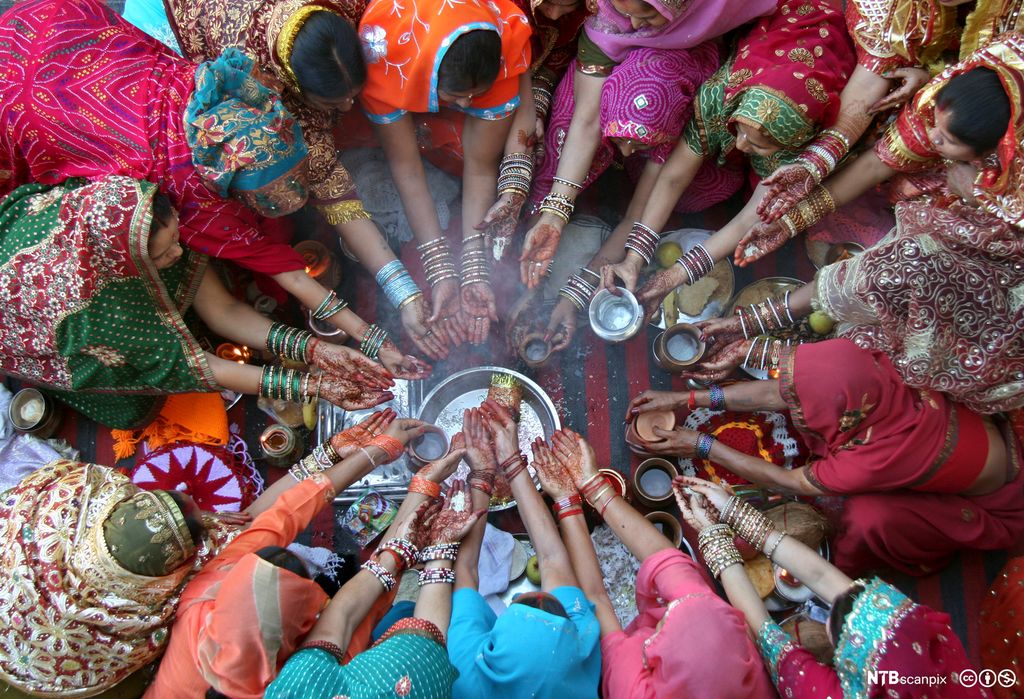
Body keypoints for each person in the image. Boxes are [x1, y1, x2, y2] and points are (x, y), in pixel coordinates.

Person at [0, 0, 427, 376]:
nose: (180, 253)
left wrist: (380, 323)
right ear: (233, 195)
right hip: (31, 103)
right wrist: (370, 339)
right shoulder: (193, 198)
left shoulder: (217, 94)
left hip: (60, 27)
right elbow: (288, 273)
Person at [131, 0, 452, 360]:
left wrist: (405, 294)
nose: (348, 108)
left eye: (351, 94)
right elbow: (326, 201)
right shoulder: (205, 185)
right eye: (334, 102)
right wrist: (379, 324)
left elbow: (332, 187)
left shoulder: (349, 16)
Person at [0, 410, 397, 696]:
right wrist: (403, 552)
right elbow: (347, 621)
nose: (209, 515)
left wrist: (338, 454)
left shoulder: (65, 527)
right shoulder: (181, 623)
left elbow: (261, 524)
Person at [0, 176, 399, 429]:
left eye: (176, 237)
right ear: (122, 264)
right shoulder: (106, 323)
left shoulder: (118, 209)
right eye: (162, 255)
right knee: (134, 408)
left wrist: (318, 348)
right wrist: (313, 385)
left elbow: (221, 310)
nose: (178, 254)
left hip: (85, 269)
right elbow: (202, 366)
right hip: (58, 326)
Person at [627, 338, 1024, 575]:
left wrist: (702, 446)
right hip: (964, 438)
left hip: (998, 503)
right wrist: (687, 398)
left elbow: (789, 481)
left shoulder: (870, 457)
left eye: (800, 406)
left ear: (851, 417)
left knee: (869, 518)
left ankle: (847, 573)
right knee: (808, 408)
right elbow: (780, 393)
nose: (792, 408)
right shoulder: (867, 373)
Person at [597, 0, 856, 319]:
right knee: (694, 185)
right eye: (740, 131)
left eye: (759, 146)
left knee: (768, 206)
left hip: (817, 76)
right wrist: (634, 258)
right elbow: (674, 176)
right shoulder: (721, 96)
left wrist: (677, 274)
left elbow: (752, 217)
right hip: (777, 48)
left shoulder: (799, 150)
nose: (741, 145)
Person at [144, 417, 430, 698]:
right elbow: (366, 600)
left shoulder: (200, 601)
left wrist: (377, 450)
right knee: (403, 619)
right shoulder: (310, 678)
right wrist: (421, 495)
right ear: (307, 619)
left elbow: (281, 517)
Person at [517, 0, 776, 288]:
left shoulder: (694, 100)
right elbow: (586, 120)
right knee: (568, 130)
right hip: (626, 93)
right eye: (625, 11)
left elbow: (637, 214)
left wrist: (581, 288)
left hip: (670, 91)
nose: (634, 25)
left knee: (692, 188)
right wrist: (554, 215)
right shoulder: (607, 19)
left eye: (648, 15)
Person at [673, 477, 986, 697]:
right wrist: (732, 512)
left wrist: (713, 536)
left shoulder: (827, 693)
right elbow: (824, 578)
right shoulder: (921, 636)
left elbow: (763, 630)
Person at [735, 34, 1021, 267]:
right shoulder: (933, 110)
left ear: (991, 150)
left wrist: (970, 197)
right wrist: (789, 223)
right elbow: (874, 165)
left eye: (949, 139)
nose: (932, 134)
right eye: (934, 120)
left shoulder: (1009, 193)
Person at [531, 429, 775, 698]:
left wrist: (567, 502)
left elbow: (595, 597)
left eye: (664, 623)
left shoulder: (633, 690)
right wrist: (592, 485)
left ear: (654, 657)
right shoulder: (720, 624)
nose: (667, 610)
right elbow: (662, 555)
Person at [527, 45, 735, 348]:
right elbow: (556, 184)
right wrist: (550, 222)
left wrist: (574, 296)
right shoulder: (598, 94)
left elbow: (634, 218)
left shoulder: (674, 111)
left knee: (698, 191)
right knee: (559, 150)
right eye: (621, 142)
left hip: (659, 123)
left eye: (634, 144)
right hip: (609, 113)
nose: (624, 152)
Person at [358, 0, 534, 346]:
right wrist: (439, 268)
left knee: (466, 143)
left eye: (475, 95)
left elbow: (481, 168)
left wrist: (474, 265)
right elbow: (406, 167)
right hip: (406, 73)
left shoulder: (499, 50)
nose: (467, 104)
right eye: (457, 95)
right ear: (427, 72)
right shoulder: (385, 59)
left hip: (452, 83)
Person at [759, 0, 1024, 224]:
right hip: (907, 86)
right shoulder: (894, 12)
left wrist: (980, 193)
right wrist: (814, 163)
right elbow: (869, 87)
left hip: (972, 113)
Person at [0, 459, 241, 696]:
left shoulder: (54, 512)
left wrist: (200, 521)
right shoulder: (140, 617)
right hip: (56, 675)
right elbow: (222, 554)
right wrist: (213, 525)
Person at [265, 474, 483, 698]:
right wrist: (440, 548)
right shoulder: (413, 686)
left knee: (399, 610)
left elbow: (335, 625)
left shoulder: (294, 687)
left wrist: (399, 550)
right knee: (402, 611)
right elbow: (428, 634)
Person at [444, 403, 602, 698]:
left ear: (492, 645)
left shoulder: (464, 673)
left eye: (515, 603)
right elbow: (553, 560)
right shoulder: (580, 646)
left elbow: (464, 568)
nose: (515, 595)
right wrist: (511, 462)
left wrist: (482, 474)